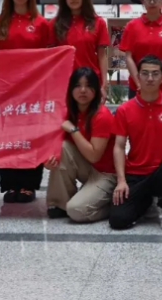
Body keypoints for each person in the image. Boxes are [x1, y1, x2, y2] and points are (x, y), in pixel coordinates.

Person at [109, 55, 162, 230]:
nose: (150, 78)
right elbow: (119, 147)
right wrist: (121, 180)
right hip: (136, 174)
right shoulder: (125, 109)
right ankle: (148, 202)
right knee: (118, 220)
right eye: (145, 73)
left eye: (155, 73)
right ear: (137, 76)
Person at [0, 0, 51, 203]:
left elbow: (48, 58)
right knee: (8, 136)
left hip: (33, 89)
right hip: (7, 89)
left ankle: (29, 184)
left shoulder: (41, 23)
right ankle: (10, 184)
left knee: (30, 136)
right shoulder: (0, 22)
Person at [45, 67, 117, 222]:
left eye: (88, 86)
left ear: (96, 89)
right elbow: (54, 147)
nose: (83, 90)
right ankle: (59, 203)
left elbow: (94, 156)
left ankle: (113, 206)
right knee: (62, 147)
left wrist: (73, 130)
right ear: (70, 89)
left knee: (77, 211)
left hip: (106, 174)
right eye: (78, 85)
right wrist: (48, 162)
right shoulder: (68, 112)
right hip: (87, 168)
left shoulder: (102, 115)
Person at [50, 0, 110, 99]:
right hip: (63, 83)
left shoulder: (98, 23)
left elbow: (102, 55)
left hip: (91, 82)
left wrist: (104, 84)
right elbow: (50, 58)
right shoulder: (54, 24)